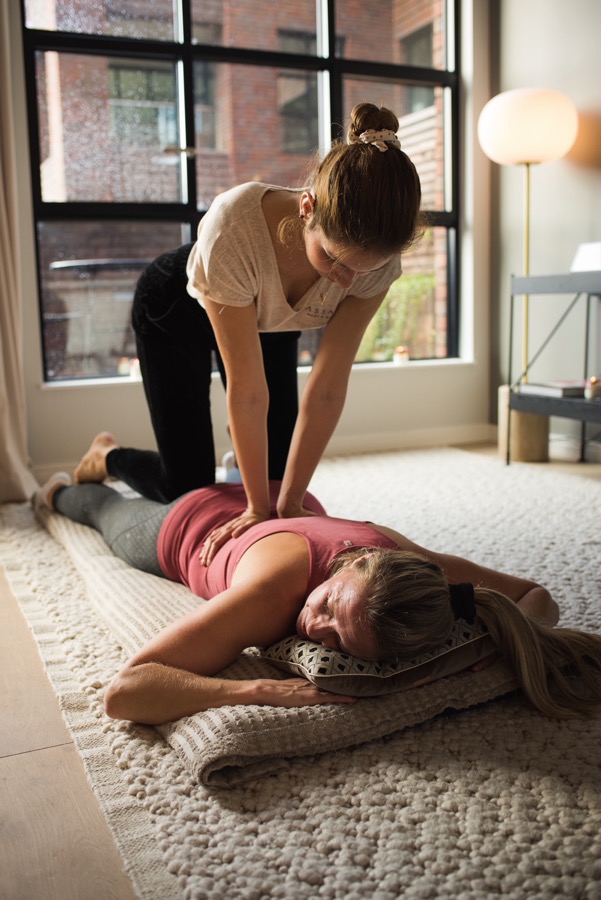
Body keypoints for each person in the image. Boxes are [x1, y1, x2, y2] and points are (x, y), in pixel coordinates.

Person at [73, 102, 424, 564]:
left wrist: (289, 502)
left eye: (362, 270)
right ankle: (108, 455)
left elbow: (327, 386)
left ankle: (250, 474)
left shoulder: (373, 262)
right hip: (178, 310)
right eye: (334, 261)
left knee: (278, 481)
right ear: (306, 209)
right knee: (186, 485)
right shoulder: (234, 223)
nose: (343, 282)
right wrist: (256, 509)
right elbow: (247, 390)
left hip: (272, 319)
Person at [33, 468, 601, 728]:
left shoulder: (412, 568)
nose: (314, 628)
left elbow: (534, 597)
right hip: (193, 525)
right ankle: (71, 481)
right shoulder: (271, 595)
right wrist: (257, 690)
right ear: (356, 562)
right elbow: (125, 693)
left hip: (286, 493)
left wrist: (482, 648)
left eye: (337, 640)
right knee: (104, 510)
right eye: (329, 604)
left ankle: (129, 459)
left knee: (179, 472)